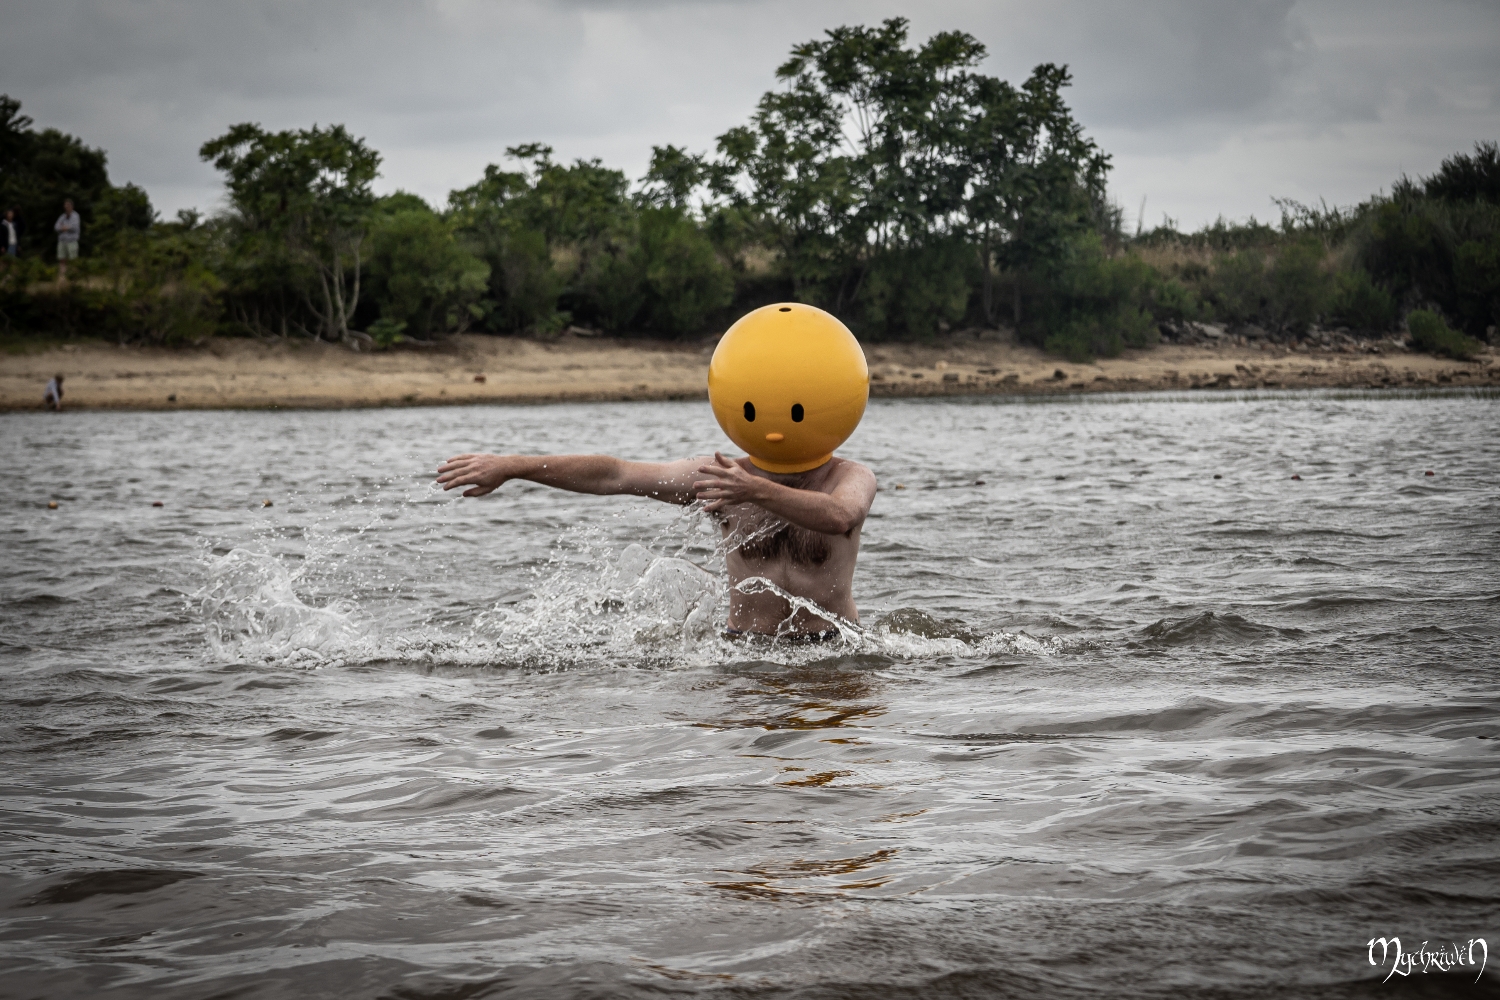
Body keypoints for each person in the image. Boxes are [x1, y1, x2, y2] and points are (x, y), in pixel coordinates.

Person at [436, 303, 878, 639]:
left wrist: (754, 491)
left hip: (834, 651)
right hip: (745, 652)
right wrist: (512, 466)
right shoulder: (720, 476)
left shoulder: (849, 478)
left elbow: (839, 516)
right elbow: (616, 475)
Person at [54, 199, 81, 279]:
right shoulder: (62, 217)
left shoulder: (75, 216)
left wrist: (65, 227)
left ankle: (74, 276)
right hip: (62, 241)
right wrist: (64, 228)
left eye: (68, 205)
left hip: (71, 241)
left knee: (73, 259)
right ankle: (62, 276)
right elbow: (56, 227)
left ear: (72, 206)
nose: (66, 207)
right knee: (62, 259)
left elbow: (74, 227)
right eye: (65, 205)